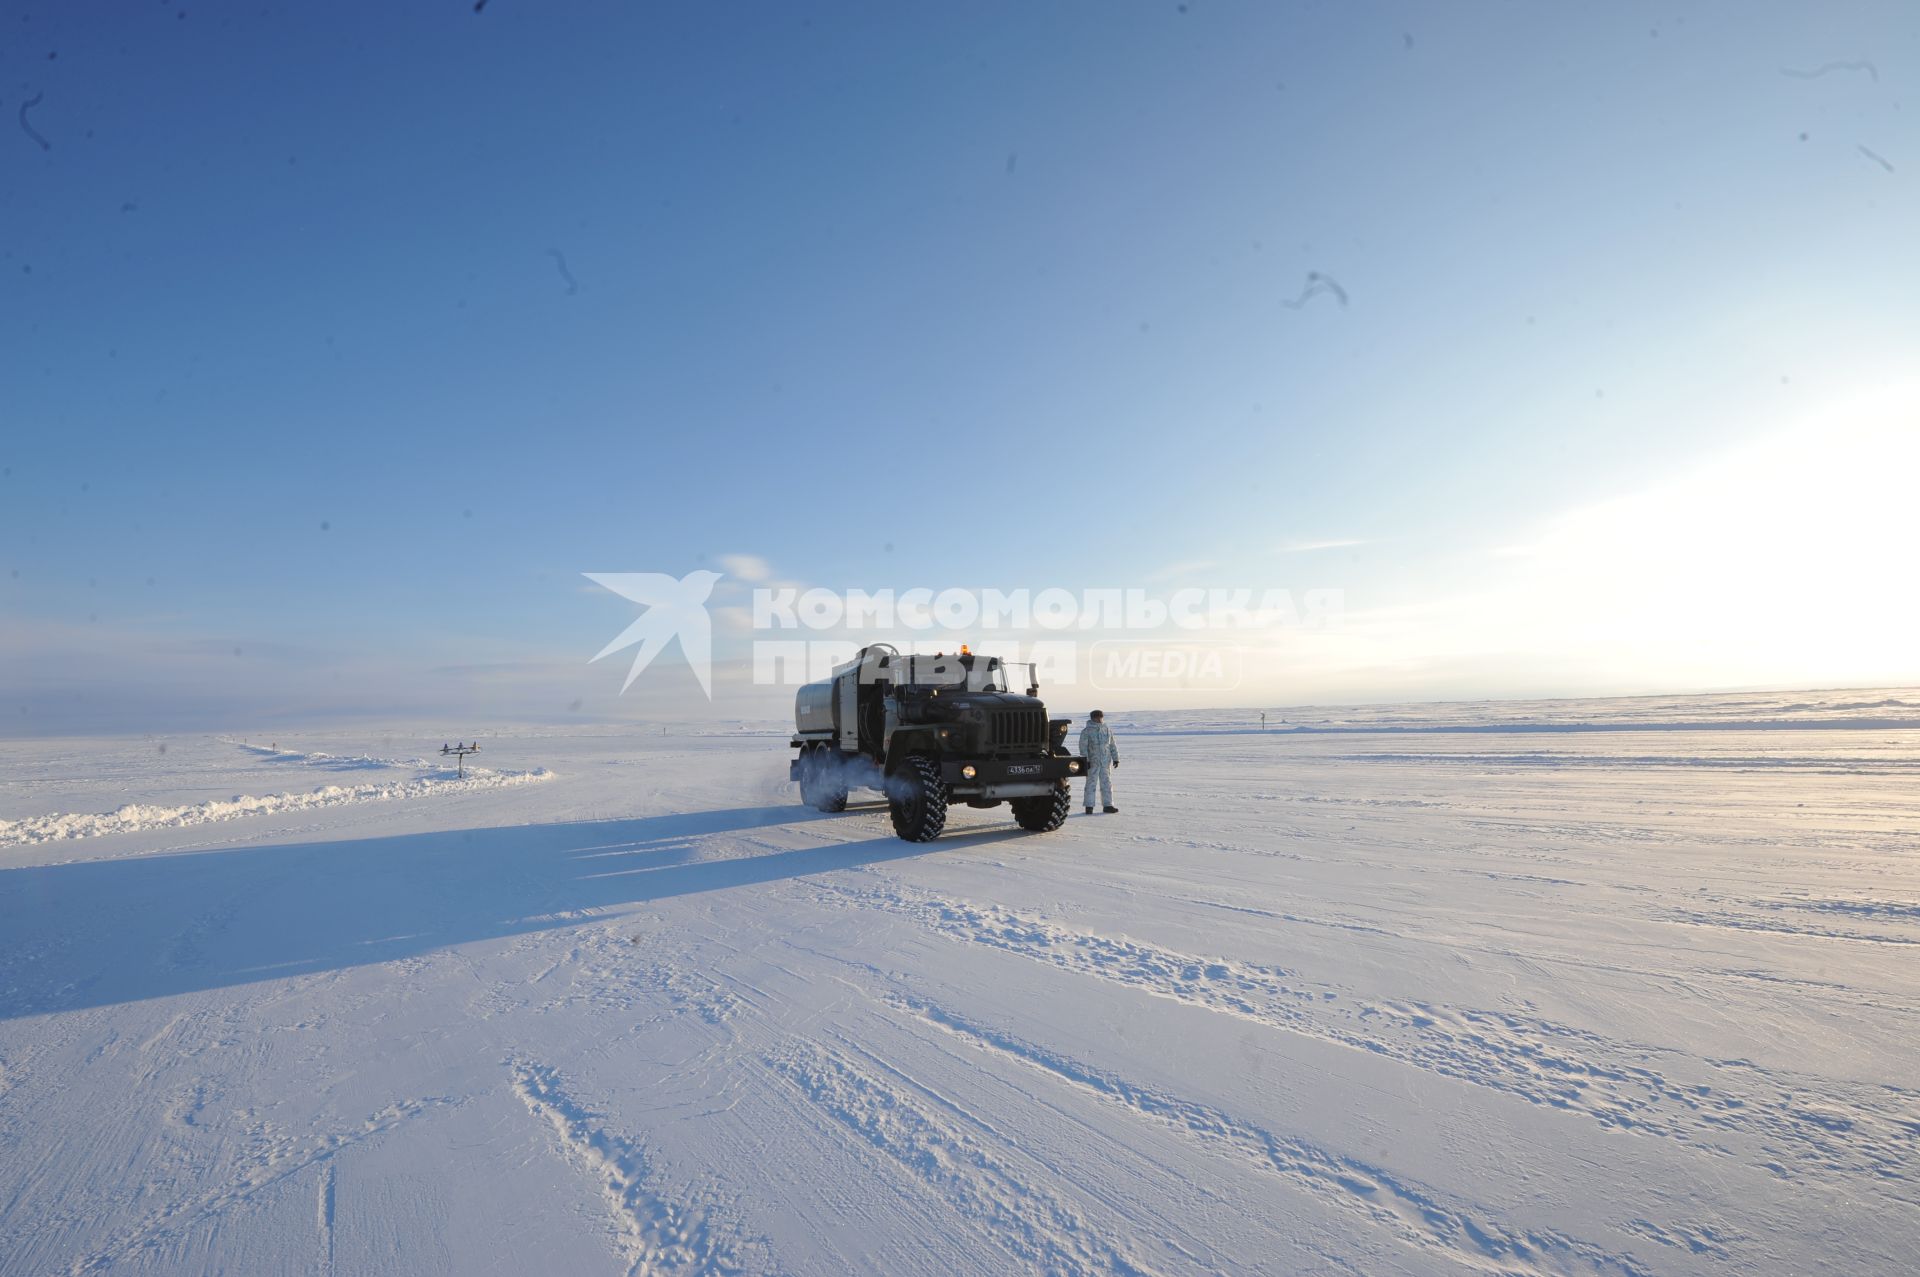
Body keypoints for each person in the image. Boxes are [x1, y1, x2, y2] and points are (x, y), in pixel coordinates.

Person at [1078, 710, 1119, 814]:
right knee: (1091, 783)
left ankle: (1108, 805)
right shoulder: (1086, 731)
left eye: (1101, 717)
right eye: (1097, 717)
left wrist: (1116, 758)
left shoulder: (1107, 729)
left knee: (1107, 784)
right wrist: (1085, 760)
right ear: (1092, 718)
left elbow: (1112, 745)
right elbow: (1083, 747)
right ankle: (1089, 806)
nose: (1099, 719)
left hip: (1105, 761)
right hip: (1093, 761)